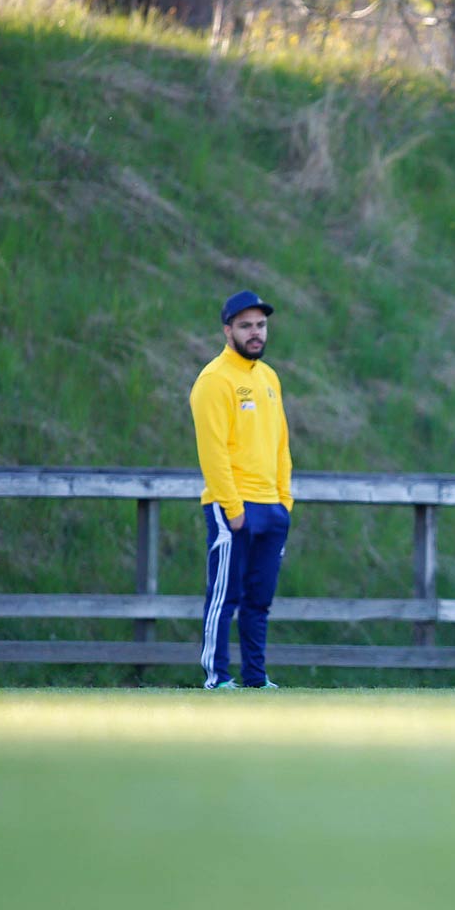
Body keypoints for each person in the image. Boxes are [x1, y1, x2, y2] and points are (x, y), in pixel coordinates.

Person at [191, 289, 293, 690]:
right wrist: (233, 510)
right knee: (224, 598)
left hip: (272, 508)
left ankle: (256, 678)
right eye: (246, 326)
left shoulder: (269, 379)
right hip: (232, 507)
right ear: (227, 330)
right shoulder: (214, 380)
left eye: (261, 325)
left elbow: (281, 445)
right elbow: (212, 453)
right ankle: (217, 678)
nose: (256, 333)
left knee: (258, 602)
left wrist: (284, 502)